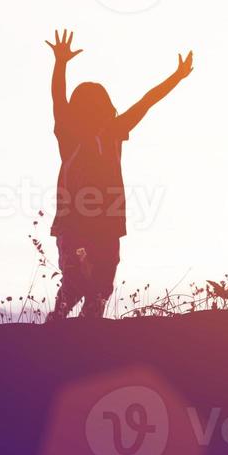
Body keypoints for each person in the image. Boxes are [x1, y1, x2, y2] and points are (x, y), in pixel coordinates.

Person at [45, 29, 193, 320]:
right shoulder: (69, 135)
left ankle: (89, 325)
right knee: (75, 280)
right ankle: (59, 321)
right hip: (75, 222)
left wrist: (176, 78)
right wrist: (60, 63)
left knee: (102, 282)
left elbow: (146, 102)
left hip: (107, 222)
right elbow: (58, 99)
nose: (93, 112)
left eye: (97, 106)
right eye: (87, 107)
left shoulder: (114, 133)